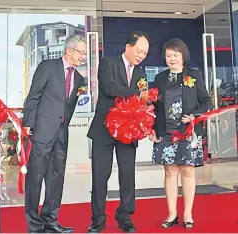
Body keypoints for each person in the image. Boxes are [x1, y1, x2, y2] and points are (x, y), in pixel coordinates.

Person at [22, 34, 86, 233]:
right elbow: (34, 96)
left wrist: (64, 125)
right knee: (36, 176)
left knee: (56, 177)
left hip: (61, 133)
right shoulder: (48, 67)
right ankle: (34, 224)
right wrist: (28, 123)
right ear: (68, 50)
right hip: (41, 130)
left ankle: (51, 220)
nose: (83, 56)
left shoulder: (79, 78)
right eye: (81, 52)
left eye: (84, 53)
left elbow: (70, 106)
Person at [87, 31, 150, 233]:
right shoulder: (108, 63)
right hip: (104, 129)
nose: (141, 56)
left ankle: (125, 215)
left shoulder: (141, 73)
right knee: (100, 175)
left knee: (127, 174)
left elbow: (143, 100)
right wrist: (138, 94)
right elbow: (110, 88)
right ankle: (97, 218)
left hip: (128, 131)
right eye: (139, 51)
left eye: (145, 53)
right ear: (128, 47)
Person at [149, 38, 211, 229]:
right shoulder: (160, 78)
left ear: (183, 56)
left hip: (188, 131)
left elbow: (206, 101)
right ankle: (171, 213)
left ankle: (187, 214)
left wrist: (194, 116)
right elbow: (153, 106)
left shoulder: (194, 75)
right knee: (170, 171)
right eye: (168, 55)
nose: (172, 58)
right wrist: (150, 128)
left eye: (175, 55)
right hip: (165, 131)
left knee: (187, 170)